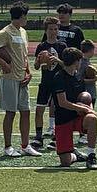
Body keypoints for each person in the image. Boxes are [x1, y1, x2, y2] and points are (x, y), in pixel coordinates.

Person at [0, 2, 40, 157]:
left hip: (22, 78)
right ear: (21, 16)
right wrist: (3, 63)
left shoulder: (23, 32)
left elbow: (24, 55)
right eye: (25, 16)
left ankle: (25, 145)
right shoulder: (6, 32)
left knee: (26, 111)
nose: (27, 19)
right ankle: (8, 147)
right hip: (9, 78)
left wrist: (28, 72)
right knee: (11, 112)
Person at [51, 47, 97, 169]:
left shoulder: (78, 77)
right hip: (63, 119)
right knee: (65, 162)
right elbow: (62, 102)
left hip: (77, 117)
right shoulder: (59, 77)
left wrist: (90, 109)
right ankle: (76, 155)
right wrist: (83, 108)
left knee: (92, 118)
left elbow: (86, 97)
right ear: (76, 61)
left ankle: (91, 155)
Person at [30, 16, 64, 149]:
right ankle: (39, 138)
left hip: (58, 83)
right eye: (50, 29)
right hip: (45, 82)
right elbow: (36, 66)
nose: (53, 31)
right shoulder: (41, 46)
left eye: (55, 29)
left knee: (59, 110)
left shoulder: (62, 45)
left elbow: (66, 65)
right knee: (39, 110)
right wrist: (40, 61)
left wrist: (57, 60)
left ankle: (57, 138)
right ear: (45, 30)